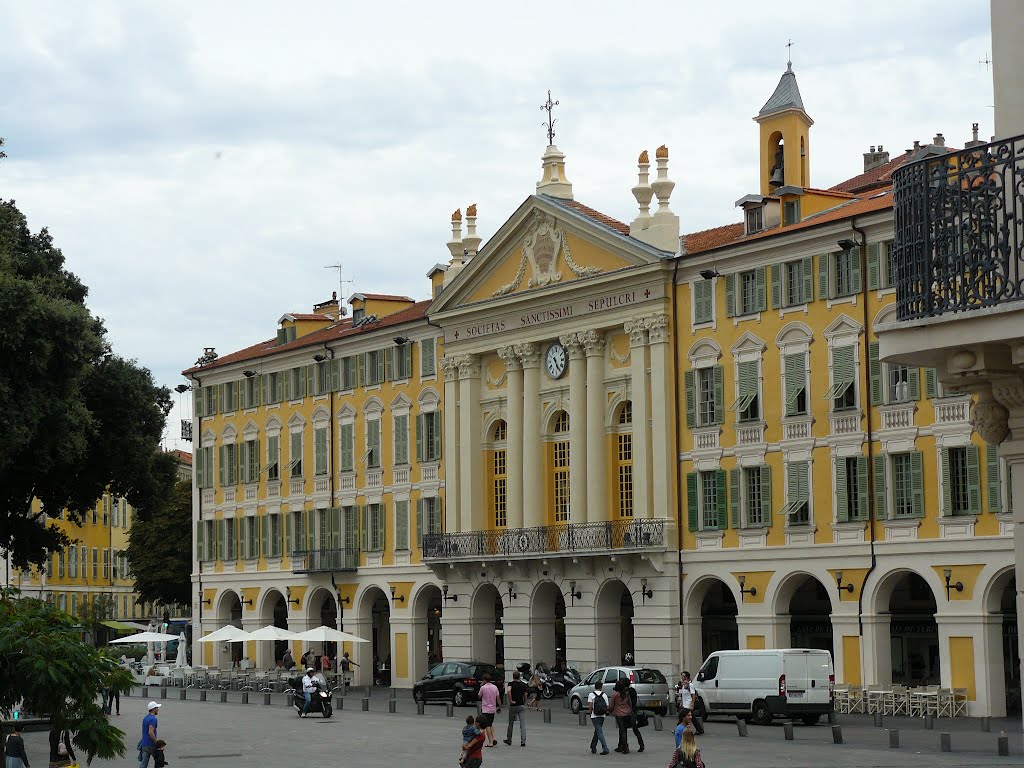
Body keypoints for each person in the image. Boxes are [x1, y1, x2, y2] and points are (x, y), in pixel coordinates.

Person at [610, 678, 635, 754]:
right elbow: (630, 703)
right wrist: (631, 711)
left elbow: (612, 706)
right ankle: (621, 745)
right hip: (627, 713)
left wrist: (608, 710)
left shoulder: (614, 695)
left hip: (619, 714)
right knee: (624, 730)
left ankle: (625, 747)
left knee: (622, 730)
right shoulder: (626, 694)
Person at [503, 670, 528, 747]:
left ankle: (509, 740)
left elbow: (509, 691)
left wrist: (511, 700)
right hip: (521, 705)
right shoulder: (523, 685)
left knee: (511, 723)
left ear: (513, 676)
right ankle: (523, 741)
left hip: (513, 706)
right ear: (519, 677)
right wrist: (524, 701)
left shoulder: (510, 684)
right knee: (522, 724)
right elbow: (525, 695)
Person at [587, 679, 610, 755]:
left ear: (595, 687)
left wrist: (590, 714)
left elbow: (590, 706)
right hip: (602, 716)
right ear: (601, 687)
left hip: (595, 715)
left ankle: (605, 748)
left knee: (599, 732)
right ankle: (593, 746)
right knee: (597, 731)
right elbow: (607, 706)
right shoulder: (604, 695)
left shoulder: (591, 695)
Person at [478, 673, 500, 747]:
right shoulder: (495, 687)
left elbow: (479, 696)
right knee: (490, 724)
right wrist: (499, 706)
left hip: (485, 709)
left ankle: (490, 742)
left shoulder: (483, 688)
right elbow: (498, 697)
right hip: (492, 709)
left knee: (487, 725)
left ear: (484, 680)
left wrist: (481, 686)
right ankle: (494, 738)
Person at [138, 701, 160, 768]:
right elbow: (150, 732)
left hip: (144, 744)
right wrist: (157, 743)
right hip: (151, 744)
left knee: (143, 764)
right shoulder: (153, 719)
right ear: (154, 709)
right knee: (159, 761)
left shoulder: (145, 718)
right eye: (157, 708)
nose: (158, 709)